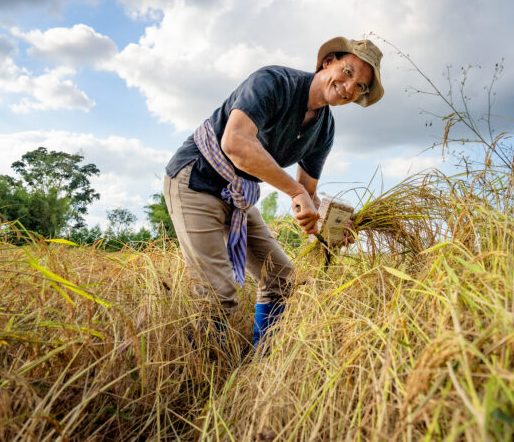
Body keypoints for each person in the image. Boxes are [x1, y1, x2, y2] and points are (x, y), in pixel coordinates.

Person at [163, 36, 384, 347]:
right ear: (328, 61)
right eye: (348, 72)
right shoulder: (274, 83)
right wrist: (295, 192)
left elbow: (307, 194)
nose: (349, 87)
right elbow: (235, 142)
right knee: (218, 296)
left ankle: (261, 367)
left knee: (281, 279)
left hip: (238, 195)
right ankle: (198, 381)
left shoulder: (324, 130)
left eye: (360, 86)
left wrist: (329, 226)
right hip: (196, 179)